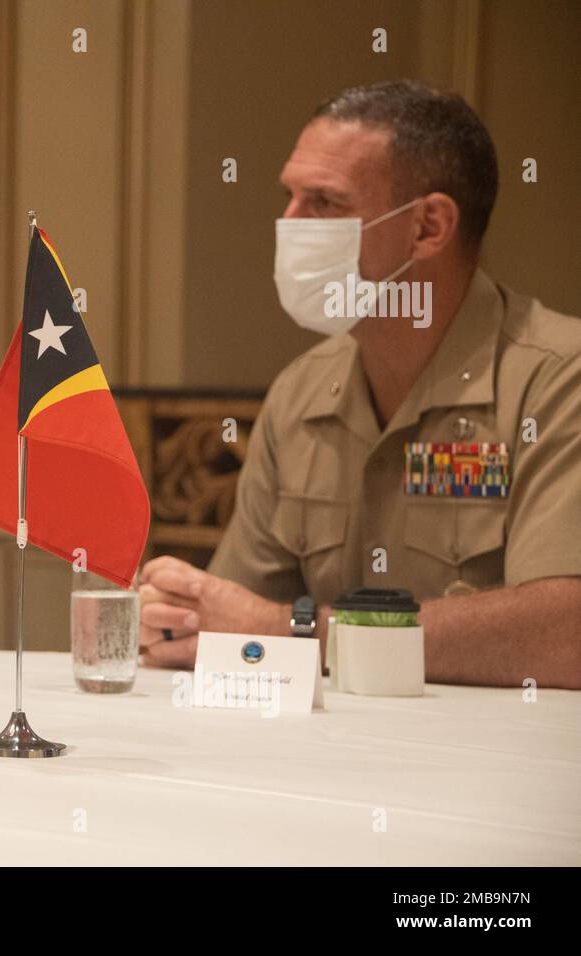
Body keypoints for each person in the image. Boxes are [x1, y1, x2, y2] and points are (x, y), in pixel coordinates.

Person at [138, 80, 581, 689]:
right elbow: (234, 618)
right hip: (328, 764)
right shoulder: (301, 391)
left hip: (495, 770)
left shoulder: (557, 380)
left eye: (323, 203)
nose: (288, 225)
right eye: (288, 197)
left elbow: (564, 634)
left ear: (428, 227)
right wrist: (178, 618)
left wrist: (294, 631)